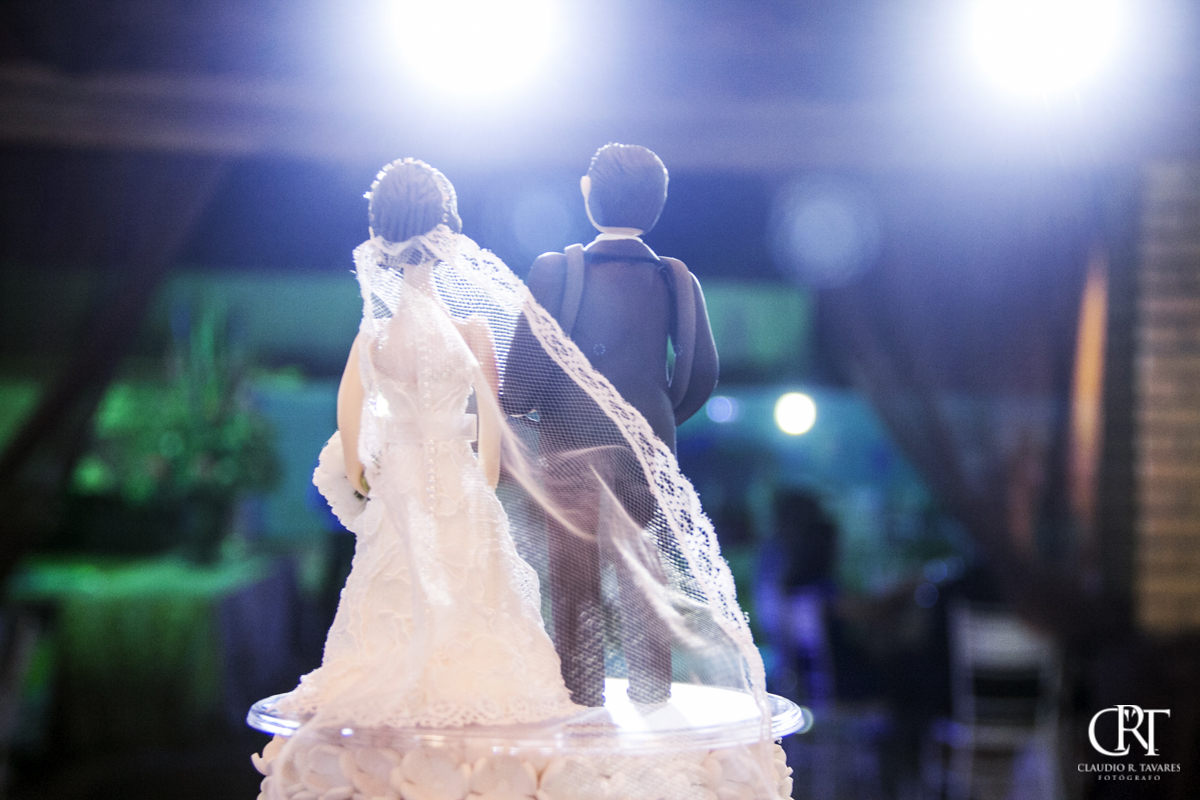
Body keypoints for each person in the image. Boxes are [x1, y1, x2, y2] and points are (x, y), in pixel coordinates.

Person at [274, 159, 578, 730]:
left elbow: (348, 408)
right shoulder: (471, 332)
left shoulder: (375, 337)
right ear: (446, 235)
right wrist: (486, 478)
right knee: (468, 579)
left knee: (395, 577)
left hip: (400, 479)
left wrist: (359, 469)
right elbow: (491, 418)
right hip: (456, 476)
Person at [502, 144, 719, 706]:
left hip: (570, 448)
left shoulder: (556, 270)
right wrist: (657, 415)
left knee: (573, 578)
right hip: (648, 448)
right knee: (644, 572)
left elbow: (523, 372)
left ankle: (582, 696)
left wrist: (529, 409)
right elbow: (702, 371)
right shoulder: (675, 279)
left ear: (587, 193)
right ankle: (652, 692)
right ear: (658, 203)